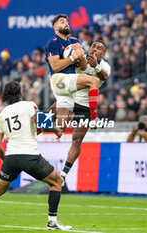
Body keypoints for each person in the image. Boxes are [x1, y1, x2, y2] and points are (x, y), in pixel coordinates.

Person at [0, 81, 71, 231]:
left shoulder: (1, 116)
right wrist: (56, 130)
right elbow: (39, 124)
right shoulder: (29, 105)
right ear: (21, 94)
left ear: (5, 97)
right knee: (57, 182)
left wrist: (6, 161)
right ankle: (52, 221)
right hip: (29, 155)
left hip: (11, 158)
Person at [60, 40, 111, 183]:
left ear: (104, 53)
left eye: (99, 47)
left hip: (85, 106)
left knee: (76, 140)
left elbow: (104, 76)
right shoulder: (79, 57)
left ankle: (63, 174)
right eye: (93, 45)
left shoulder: (105, 66)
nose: (95, 48)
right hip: (70, 98)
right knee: (56, 125)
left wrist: (96, 67)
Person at [45, 14, 100, 133]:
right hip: (59, 79)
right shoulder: (53, 43)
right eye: (62, 22)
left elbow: (84, 67)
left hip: (68, 85)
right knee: (94, 81)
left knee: (60, 128)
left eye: (67, 21)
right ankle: (94, 117)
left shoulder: (74, 41)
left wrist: (80, 57)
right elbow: (55, 66)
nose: (66, 23)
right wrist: (74, 56)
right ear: (55, 27)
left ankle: (35, 123)